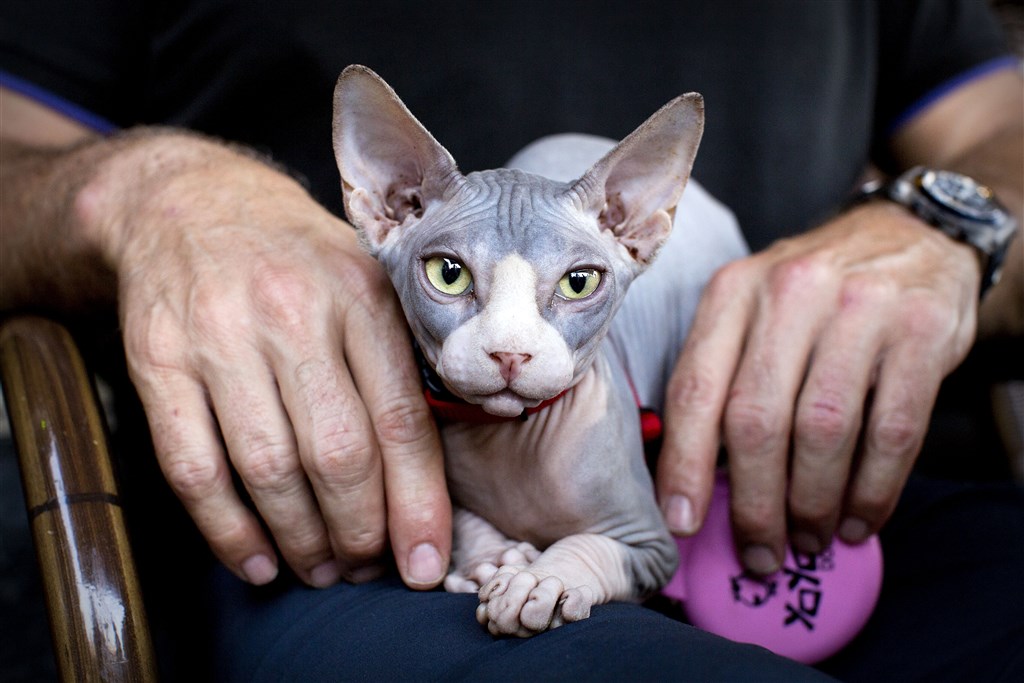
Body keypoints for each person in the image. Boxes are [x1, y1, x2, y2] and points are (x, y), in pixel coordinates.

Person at [1, 0, 1021, 680]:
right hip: (341, 502)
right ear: (383, 202)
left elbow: (1000, 121)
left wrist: (951, 226)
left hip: (820, 480)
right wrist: (135, 193)